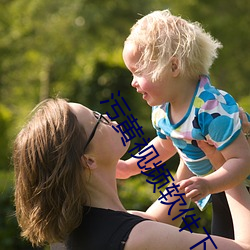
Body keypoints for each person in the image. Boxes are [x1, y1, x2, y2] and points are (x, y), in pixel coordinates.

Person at [13, 98, 250, 250]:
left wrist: (190, 136)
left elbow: (154, 220)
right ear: (88, 160)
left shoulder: (79, 232)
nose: (108, 117)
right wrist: (227, 165)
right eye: (98, 120)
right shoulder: (138, 238)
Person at [121, 9, 250, 239]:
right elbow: (165, 144)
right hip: (219, 187)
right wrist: (130, 166)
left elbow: (242, 160)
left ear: (173, 67)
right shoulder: (162, 109)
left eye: (138, 72)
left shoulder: (211, 109)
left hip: (240, 186)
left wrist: (209, 184)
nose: (133, 82)